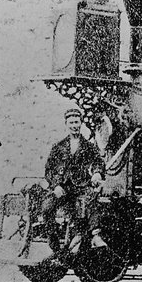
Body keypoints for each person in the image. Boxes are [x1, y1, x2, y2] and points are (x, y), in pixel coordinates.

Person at [41, 108, 105, 253]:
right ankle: (53, 238)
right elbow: (49, 170)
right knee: (46, 207)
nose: (74, 125)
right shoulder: (58, 147)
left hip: (81, 186)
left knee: (91, 200)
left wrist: (96, 173)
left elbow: (98, 162)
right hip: (63, 188)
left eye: (76, 122)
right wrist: (56, 185)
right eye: (71, 123)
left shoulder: (88, 146)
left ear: (81, 123)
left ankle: (94, 235)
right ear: (66, 124)